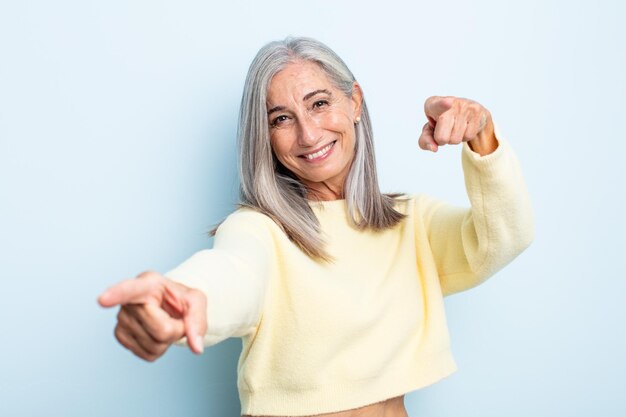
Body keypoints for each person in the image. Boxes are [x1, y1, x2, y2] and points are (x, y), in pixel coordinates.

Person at [98, 37, 534, 417]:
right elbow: (233, 276)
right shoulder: (257, 230)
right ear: (264, 136)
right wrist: (183, 298)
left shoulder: (412, 224)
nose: (308, 134)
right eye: (281, 118)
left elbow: (502, 237)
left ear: (355, 102)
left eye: (319, 103)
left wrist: (483, 136)